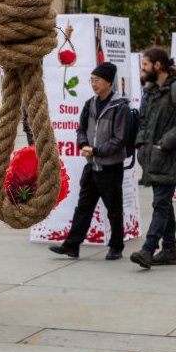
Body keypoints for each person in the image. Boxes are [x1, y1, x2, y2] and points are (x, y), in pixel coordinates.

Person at [50, 62, 130, 260]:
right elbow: (81, 129)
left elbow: (120, 139)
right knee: (84, 206)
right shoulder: (90, 104)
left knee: (113, 209)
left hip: (110, 167)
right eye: (92, 80)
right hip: (91, 166)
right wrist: (83, 143)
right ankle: (72, 245)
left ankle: (116, 247)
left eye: (98, 80)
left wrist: (96, 150)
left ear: (109, 82)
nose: (94, 84)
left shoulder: (120, 106)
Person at [130, 48, 176, 269]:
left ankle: (148, 249)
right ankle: (169, 250)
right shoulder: (152, 90)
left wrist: (164, 143)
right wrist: (141, 145)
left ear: (158, 65)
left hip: (171, 156)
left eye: (145, 65)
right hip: (152, 156)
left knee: (160, 203)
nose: (142, 69)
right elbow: (144, 121)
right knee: (164, 203)